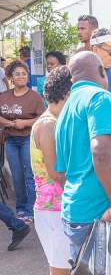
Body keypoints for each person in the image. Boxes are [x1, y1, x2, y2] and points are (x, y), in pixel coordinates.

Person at [54, 51, 111, 263]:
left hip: (78, 214)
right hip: (103, 217)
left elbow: (62, 174)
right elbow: (100, 152)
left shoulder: (65, 112)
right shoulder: (99, 98)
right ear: (102, 71)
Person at [31, 66, 72, 274]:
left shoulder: (55, 122)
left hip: (55, 209)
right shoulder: (48, 124)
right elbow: (56, 173)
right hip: (53, 210)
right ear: (67, 94)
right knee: (60, 271)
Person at [0, 60, 46, 224]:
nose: (21, 77)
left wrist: (25, 123)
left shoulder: (35, 97)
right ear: (11, 77)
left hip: (28, 139)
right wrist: (12, 124)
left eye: (24, 74)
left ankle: (30, 210)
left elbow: (42, 117)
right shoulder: (4, 96)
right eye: (17, 74)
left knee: (29, 175)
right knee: (17, 176)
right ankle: (20, 208)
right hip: (11, 140)